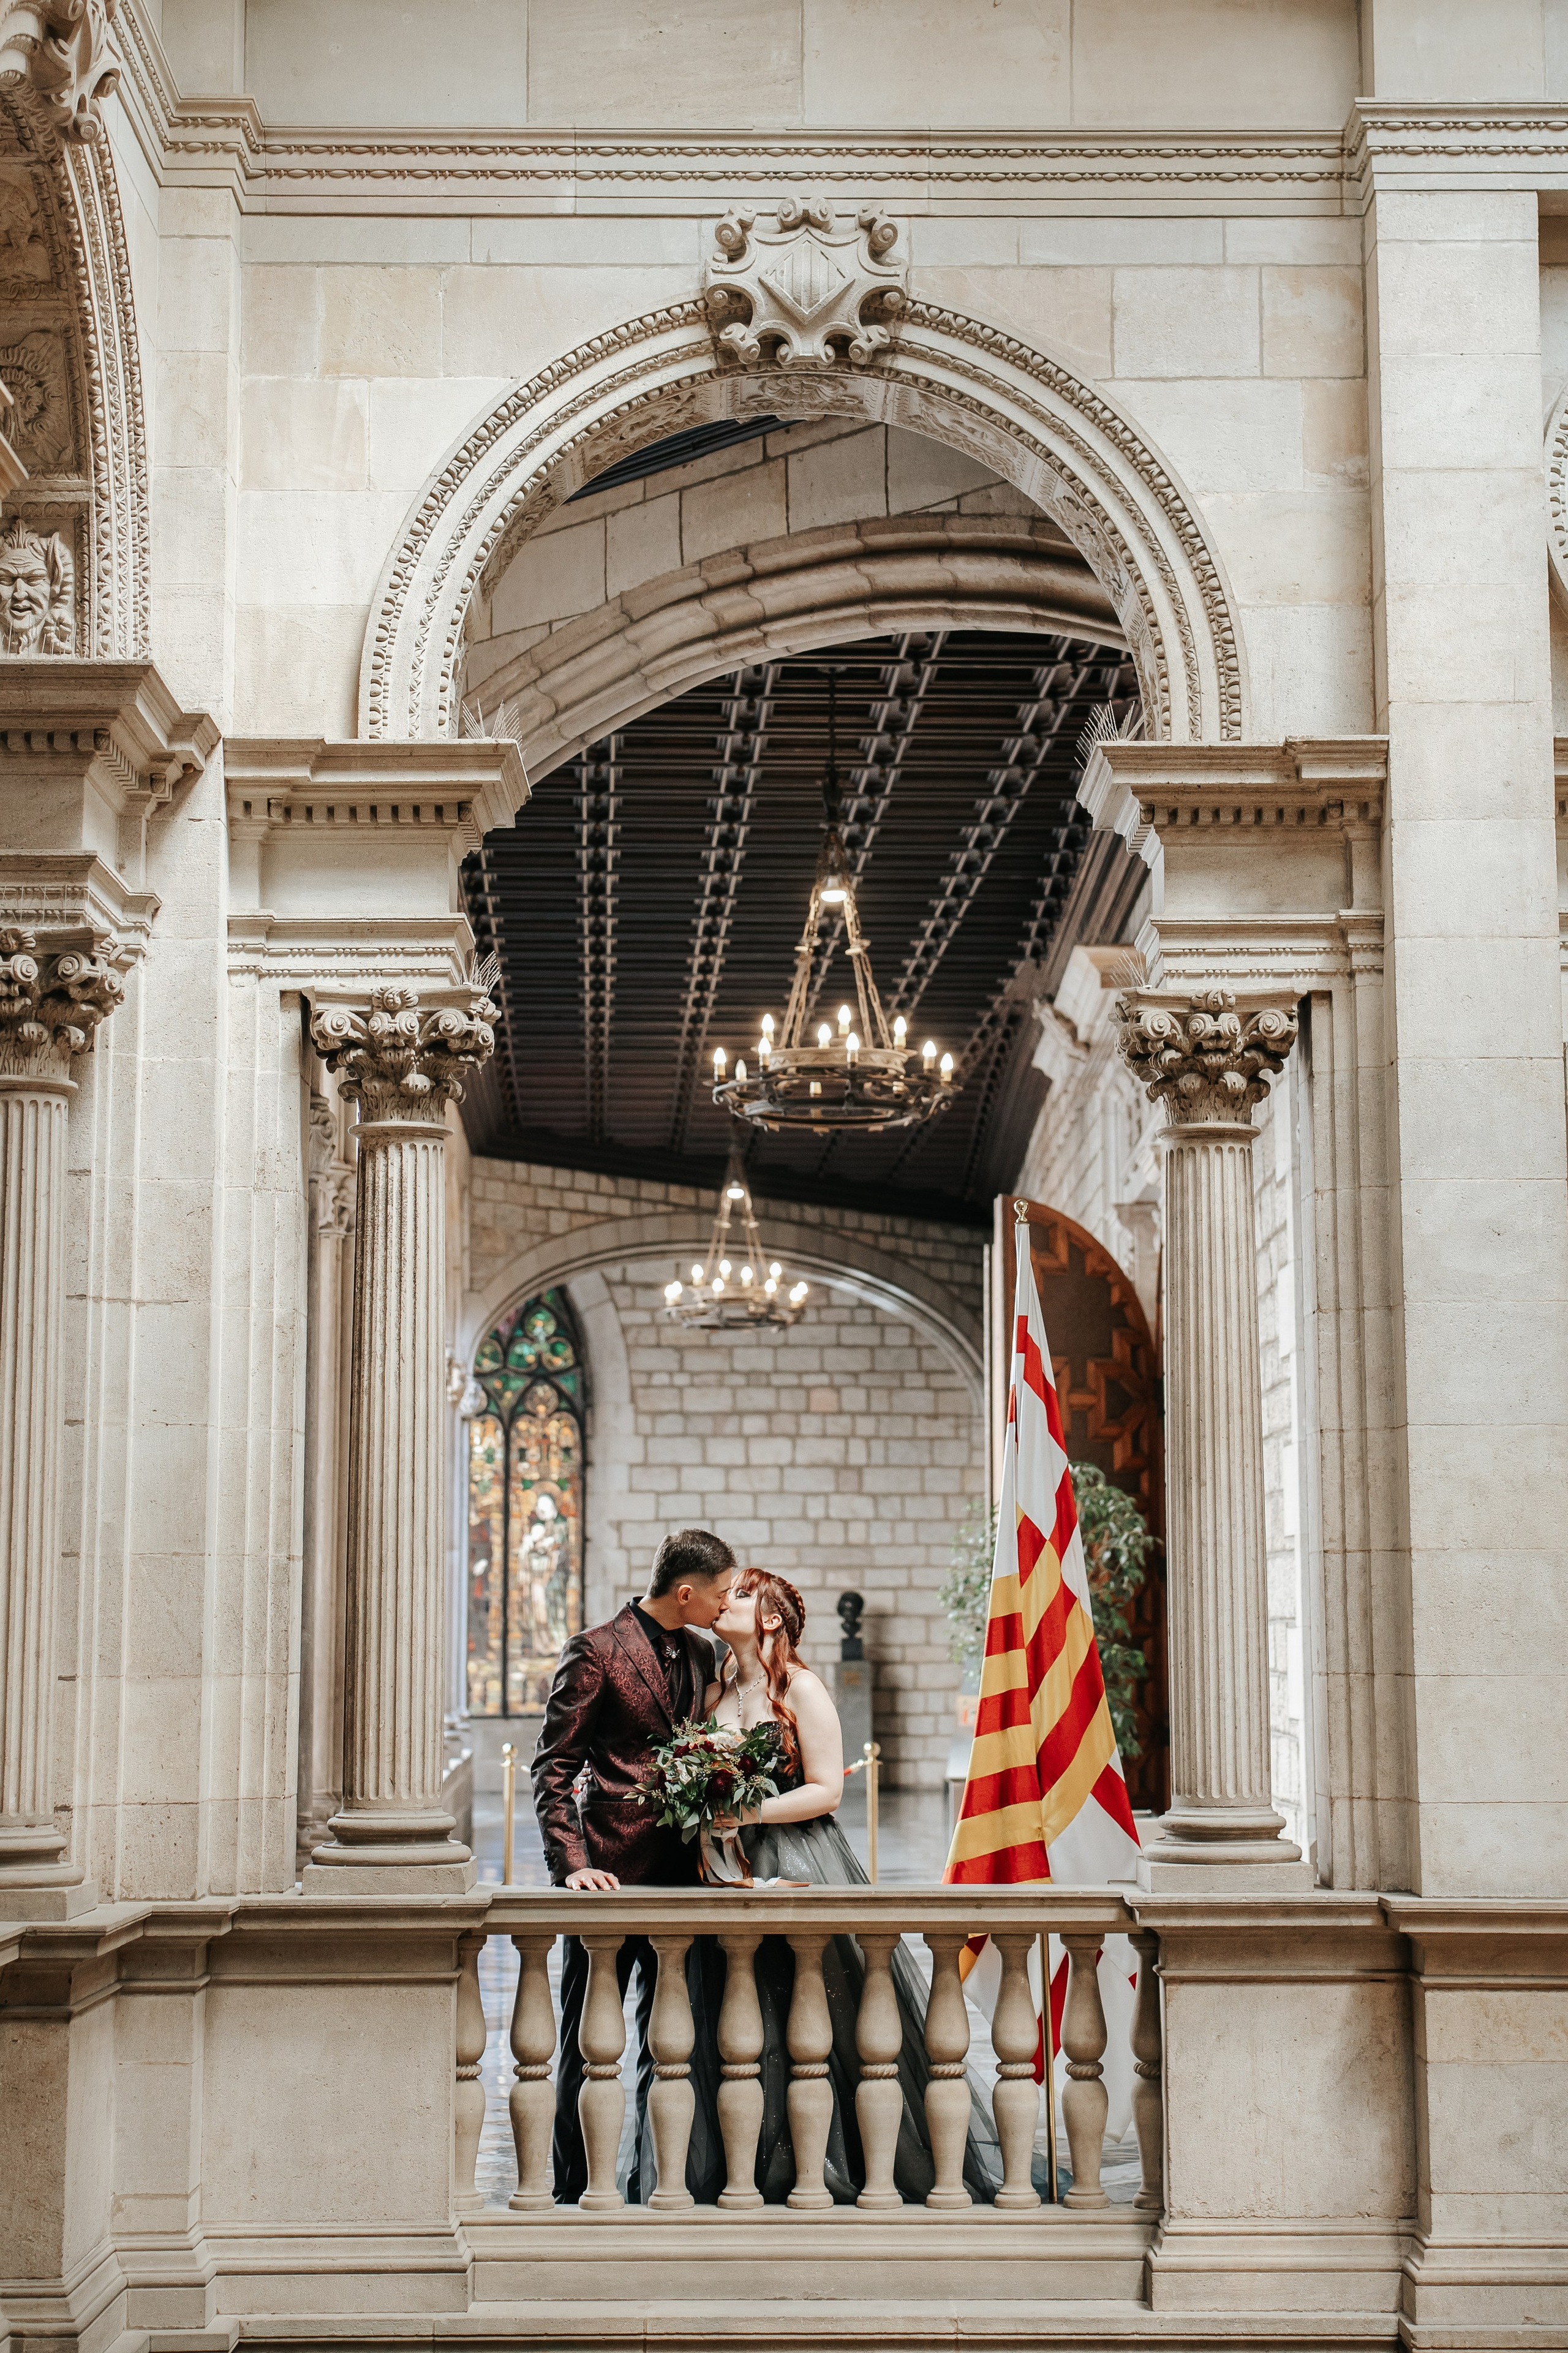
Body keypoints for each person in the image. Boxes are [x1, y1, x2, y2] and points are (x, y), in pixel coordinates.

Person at [677, 1568, 1005, 2206]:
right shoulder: (717, 1688)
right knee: (744, 2009)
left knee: (816, 2005)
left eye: (740, 1594)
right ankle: (749, 2160)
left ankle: (833, 2159)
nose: (724, 1602)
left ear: (771, 1618)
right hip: (726, 1867)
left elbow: (827, 1787)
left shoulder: (802, 1687)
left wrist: (748, 1812)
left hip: (801, 1856)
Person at [531, 1525, 734, 2203]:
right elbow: (554, 1767)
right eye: (720, 1595)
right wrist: (571, 1865)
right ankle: (567, 2186)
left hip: (685, 1872)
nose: (725, 1606)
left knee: (671, 2040)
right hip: (610, 1876)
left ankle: (656, 2178)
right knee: (586, 2038)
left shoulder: (705, 1651)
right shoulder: (594, 1650)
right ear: (684, 1592)